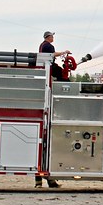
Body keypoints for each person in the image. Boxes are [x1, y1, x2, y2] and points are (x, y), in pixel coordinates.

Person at [36, 30, 69, 189]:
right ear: (48, 37)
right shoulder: (48, 46)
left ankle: (40, 182)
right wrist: (64, 53)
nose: (53, 37)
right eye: (52, 36)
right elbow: (53, 56)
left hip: (46, 73)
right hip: (49, 71)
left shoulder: (43, 45)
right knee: (64, 77)